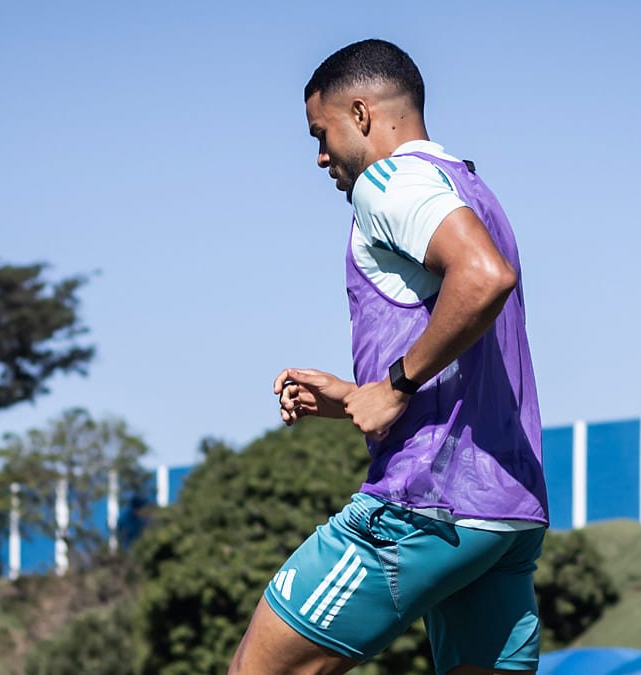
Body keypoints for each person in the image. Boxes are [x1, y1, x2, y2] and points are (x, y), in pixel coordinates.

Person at [228, 39, 550, 675]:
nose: (321, 157)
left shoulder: (390, 179)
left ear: (361, 114)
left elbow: (483, 278)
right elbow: (467, 348)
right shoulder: (469, 186)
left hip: (423, 505)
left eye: (321, 134)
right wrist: (358, 395)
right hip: (506, 513)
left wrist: (396, 386)